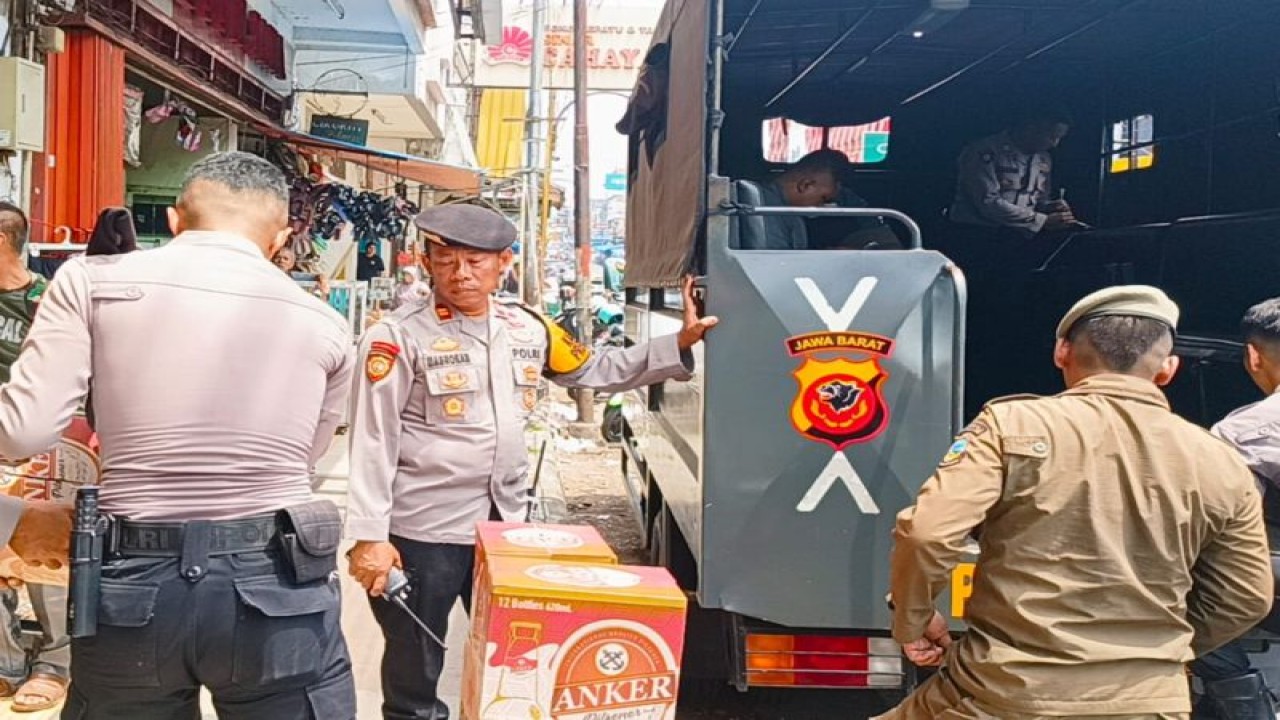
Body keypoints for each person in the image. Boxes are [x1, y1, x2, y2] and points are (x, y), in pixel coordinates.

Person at [0, 151, 357, 717]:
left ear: (173, 220)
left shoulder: (89, 283)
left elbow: (22, 431)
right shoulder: (326, 322)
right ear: (280, 237)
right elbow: (304, 457)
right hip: (276, 577)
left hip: (130, 581)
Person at [345, 203, 717, 720]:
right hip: (421, 534)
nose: (460, 273)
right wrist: (368, 538)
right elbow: (371, 439)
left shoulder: (528, 328)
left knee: (515, 667)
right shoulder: (397, 336)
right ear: (427, 262)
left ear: (504, 262)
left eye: (476, 261)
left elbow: (594, 368)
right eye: (445, 258)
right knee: (415, 674)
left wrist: (675, 343)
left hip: (506, 532)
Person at [877, 285, 1273, 720]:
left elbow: (929, 533)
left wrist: (912, 619)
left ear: (1062, 352)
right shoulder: (1219, 459)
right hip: (1150, 701)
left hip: (1004, 694)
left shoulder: (1011, 425)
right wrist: (1154, 651)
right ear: (1168, 370)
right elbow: (1248, 595)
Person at [1188, 297, 1280, 719]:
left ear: (1253, 356)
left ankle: (1243, 706)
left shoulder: (1246, 430)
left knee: (1189, 573)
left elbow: (1222, 523)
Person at [0, 202, 70, 713]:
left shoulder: (48, 302)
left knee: (44, 552)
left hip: (40, 443)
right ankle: (5, 662)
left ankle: (55, 663)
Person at [948, 108, 1077, 238]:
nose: (1055, 144)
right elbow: (987, 202)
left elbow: (1037, 200)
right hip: (976, 233)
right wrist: (1042, 220)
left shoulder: (1043, 158)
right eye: (1051, 137)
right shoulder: (983, 151)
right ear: (1030, 128)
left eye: (1059, 138)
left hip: (1019, 234)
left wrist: (1049, 207)